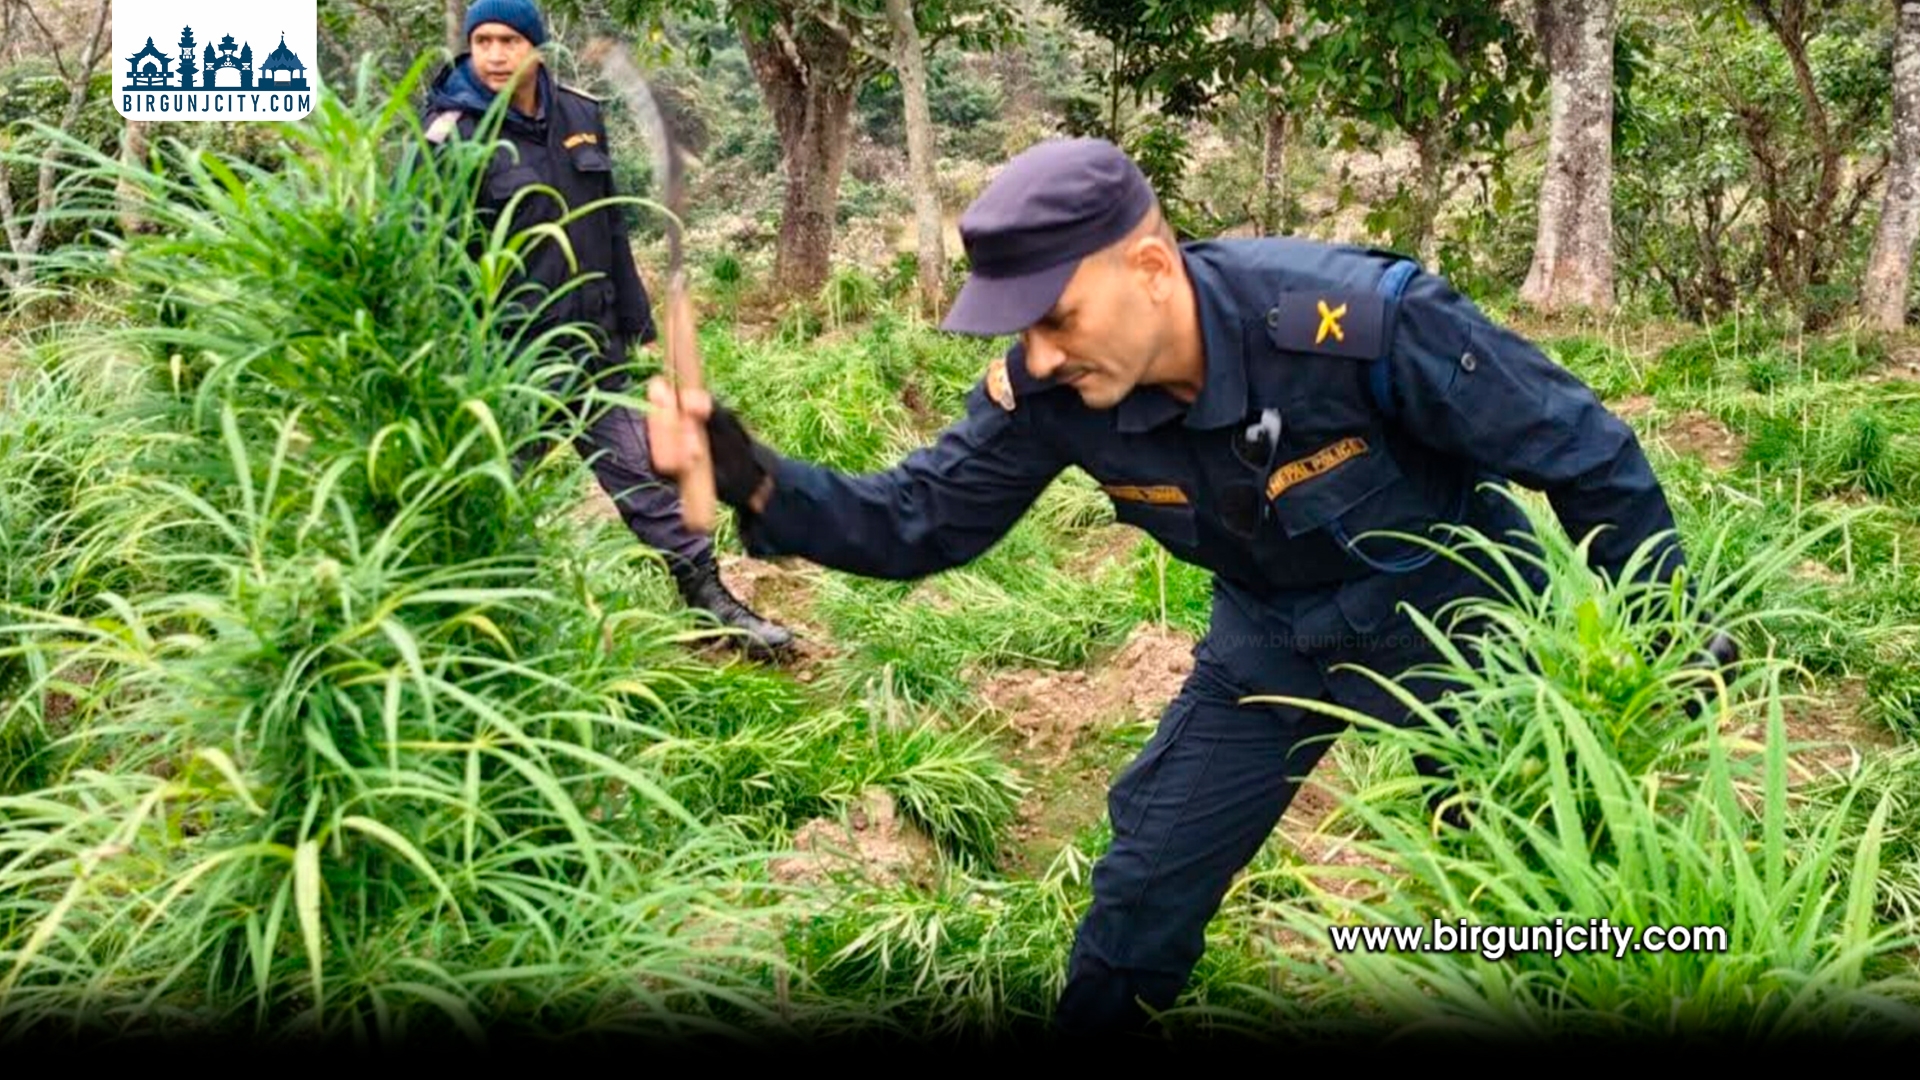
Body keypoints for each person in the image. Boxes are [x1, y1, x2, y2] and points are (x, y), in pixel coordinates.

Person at [644, 137, 1731, 1036]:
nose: (1040, 353)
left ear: (1153, 269)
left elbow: (1584, 453)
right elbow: (913, 519)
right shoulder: (1056, 389)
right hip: (1272, 638)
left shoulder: (1354, 324)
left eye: (1057, 316)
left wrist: (1665, 627)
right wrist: (755, 477)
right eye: (1023, 328)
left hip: (1457, 623)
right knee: (1143, 888)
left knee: (1521, 883)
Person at [419, 0, 793, 659]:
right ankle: (461, 635)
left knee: (645, 480)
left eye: (509, 40)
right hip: (509, 363)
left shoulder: (579, 115)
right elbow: (428, 252)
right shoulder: (449, 133)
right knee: (486, 494)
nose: (495, 55)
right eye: (483, 41)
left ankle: (714, 604)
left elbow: (611, 222)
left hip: (595, 351)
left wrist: (634, 318)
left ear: (536, 46)